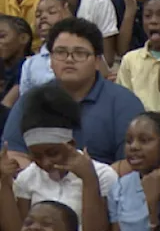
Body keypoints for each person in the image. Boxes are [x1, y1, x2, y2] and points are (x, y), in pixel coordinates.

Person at [2, 18, 144, 164]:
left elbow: (132, 163)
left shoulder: (124, 102)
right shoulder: (31, 99)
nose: (69, 59)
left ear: (97, 61)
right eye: (61, 52)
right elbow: (13, 153)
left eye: (79, 53)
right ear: (50, 60)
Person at [7, 83, 117, 231]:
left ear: (71, 144)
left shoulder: (103, 175)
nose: (46, 163)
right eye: (36, 156)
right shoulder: (27, 178)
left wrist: (89, 179)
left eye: (53, 153)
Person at [98, 112, 160, 231]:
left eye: (144, 140)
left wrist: (153, 203)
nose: (133, 147)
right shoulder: (120, 186)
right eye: (128, 141)